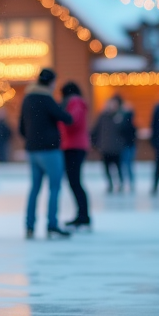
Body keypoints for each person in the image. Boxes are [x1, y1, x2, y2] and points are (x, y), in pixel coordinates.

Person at [19, 68, 73, 239]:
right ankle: (52, 225)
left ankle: (29, 226)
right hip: (49, 150)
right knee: (54, 188)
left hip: (32, 150)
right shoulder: (47, 98)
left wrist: (31, 138)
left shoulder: (27, 98)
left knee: (34, 188)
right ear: (51, 82)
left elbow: (21, 126)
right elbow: (66, 118)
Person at [58, 81, 92, 228]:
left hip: (74, 146)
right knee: (75, 182)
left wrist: (61, 120)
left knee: (75, 182)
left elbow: (73, 121)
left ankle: (83, 215)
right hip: (73, 145)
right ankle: (82, 214)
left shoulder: (75, 102)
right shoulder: (75, 101)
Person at [92, 96, 125, 194]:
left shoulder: (121, 116)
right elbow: (95, 131)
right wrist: (96, 144)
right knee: (107, 169)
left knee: (118, 168)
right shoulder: (102, 116)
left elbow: (127, 130)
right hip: (105, 148)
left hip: (116, 148)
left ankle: (120, 184)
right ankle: (110, 184)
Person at [118, 99, 137, 192]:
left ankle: (125, 183)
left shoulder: (124, 119)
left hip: (126, 145)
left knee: (125, 165)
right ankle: (129, 183)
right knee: (127, 165)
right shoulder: (131, 120)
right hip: (128, 145)